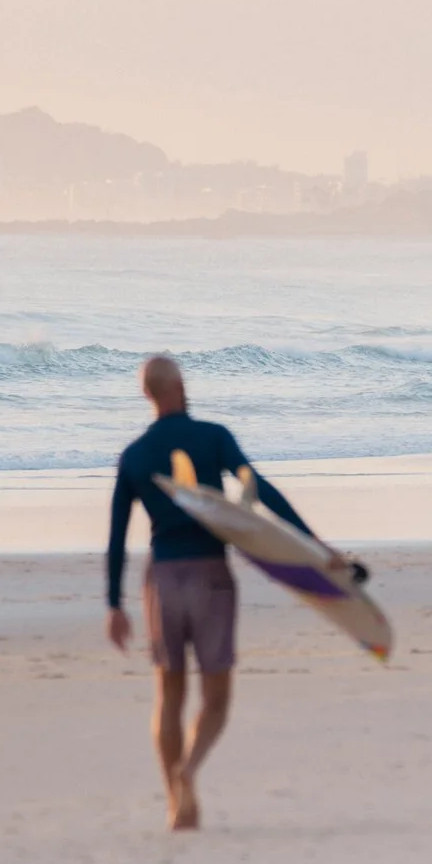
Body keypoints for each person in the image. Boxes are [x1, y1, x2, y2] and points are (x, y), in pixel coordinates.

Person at [105, 355, 323, 831]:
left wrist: (114, 605)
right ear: (180, 386)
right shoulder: (214, 436)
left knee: (169, 694)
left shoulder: (135, 455)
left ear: (147, 395)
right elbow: (257, 489)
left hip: (162, 581)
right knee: (216, 698)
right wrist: (312, 543)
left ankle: (176, 803)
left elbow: (117, 536)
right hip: (210, 576)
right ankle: (189, 768)